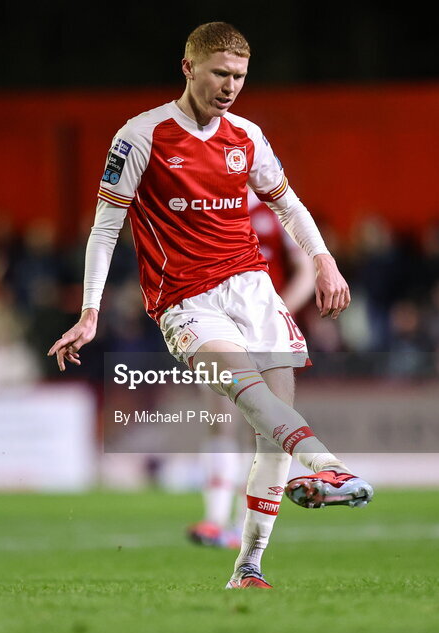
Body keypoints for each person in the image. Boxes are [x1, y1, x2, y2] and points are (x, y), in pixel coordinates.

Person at [49, 22, 373, 589]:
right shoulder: (141, 136)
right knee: (248, 396)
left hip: (253, 288)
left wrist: (324, 259)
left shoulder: (246, 136)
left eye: (240, 77)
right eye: (220, 73)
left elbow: (289, 204)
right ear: (188, 68)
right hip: (185, 300)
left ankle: (248, 567)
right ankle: (329, 466)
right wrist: (90, 310)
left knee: (272, 430)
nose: (230, 86)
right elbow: (105, 229)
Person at [187, 194, 315, 549]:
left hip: (265, 336)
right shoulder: (207, 206)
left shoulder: (276, 211)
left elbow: (306, 272)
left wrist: (275, 316)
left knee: (261, 429)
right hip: (219, 332)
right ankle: (214, 519)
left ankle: (241, 524)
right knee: (220, 417)